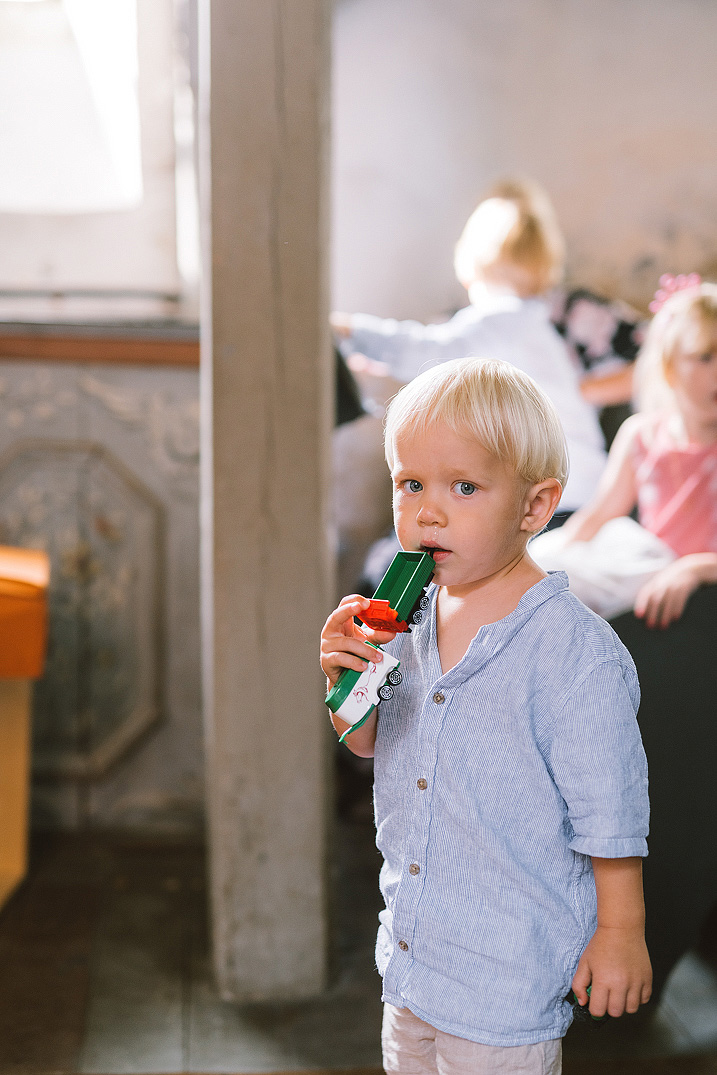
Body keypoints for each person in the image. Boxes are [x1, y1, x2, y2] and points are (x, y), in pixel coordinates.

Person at [320, 358, 651, 1074]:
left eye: (463, 487)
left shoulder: (573, 652)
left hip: (507, 975)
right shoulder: (408, 618)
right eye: (411, 484)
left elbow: (611, 808)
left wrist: (620, 932)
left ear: (534, 508)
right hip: (411, 955)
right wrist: (346, 680)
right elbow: (371, 744)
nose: (427, 511)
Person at [332, 179, 607, 517]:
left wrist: (350, 330)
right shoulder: (530, 325)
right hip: (580, 485)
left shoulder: (498, 320)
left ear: (468, 261)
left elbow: (425, 349)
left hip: (557, 492)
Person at [556, 276, 717, 629]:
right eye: (704, 357)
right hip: (649, 596)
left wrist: (694, 568)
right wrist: (542, 562)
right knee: (563, 562)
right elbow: (597, 517)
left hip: (706, 594)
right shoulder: (642, 435)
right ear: (670, 366)